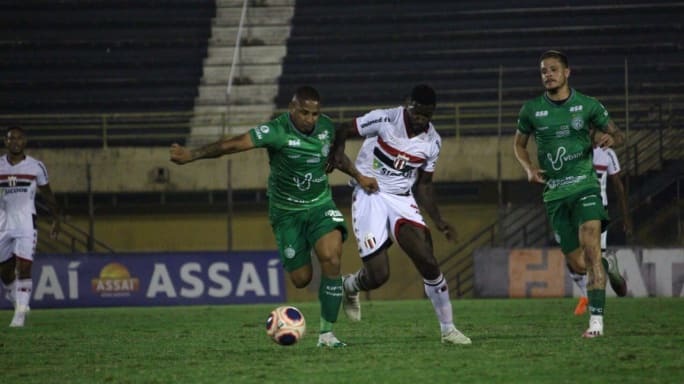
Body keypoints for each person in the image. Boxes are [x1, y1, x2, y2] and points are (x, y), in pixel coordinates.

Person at [170, 86, 376, 348]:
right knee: (301, 279)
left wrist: (359, 176)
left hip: (320, 205)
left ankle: (327, 334)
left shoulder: (326, 127)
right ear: (292, 108)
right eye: (304, 113)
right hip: (286, 213)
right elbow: (232, 144)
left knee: (331, 257)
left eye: (315, 113)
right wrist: (192, 155)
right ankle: (331, 289)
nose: (310, 119)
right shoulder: (276, 131)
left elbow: (335, 156)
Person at [329, 84, 472, 345]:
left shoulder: (432, 142)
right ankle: (349, 286)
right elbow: (344, 128)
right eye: (418, 113)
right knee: (379, 275)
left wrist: (439, 221)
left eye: (427, 115)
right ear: (409, 104)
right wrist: (337, 154)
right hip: (369, 193)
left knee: (428, 260)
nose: (421, 119)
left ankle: (448, 329)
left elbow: (425, 185)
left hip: (401, 200)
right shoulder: (385, 119)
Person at [514, 50, 627, 338]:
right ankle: (607, 263)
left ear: (567, 73)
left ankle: (596, 323)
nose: (548, 74)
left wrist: (609, 137)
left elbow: (619, 135)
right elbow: (519, 145)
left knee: (590, 248)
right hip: (555, 194)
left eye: (553, 69)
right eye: (543, 71)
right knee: (578, 262)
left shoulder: (588, 106)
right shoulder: (530, 110)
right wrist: (528, 168)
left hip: (585, 187)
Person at [0, 126, 61, 327]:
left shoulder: (36, 166)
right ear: (5, 141)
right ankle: (17, 298)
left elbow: (48, 194)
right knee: (5, 271)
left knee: (24, 267)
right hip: (3, 225)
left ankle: (19, 315)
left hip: (27, 224)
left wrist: (56, 218)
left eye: (19, 138)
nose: (15, 141)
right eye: (11, 138)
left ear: (24, 141)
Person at [571, 139, 632, 315]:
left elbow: (619, 187)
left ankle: (595, 314)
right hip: (579, 211)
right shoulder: (573, 152)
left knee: (593, 261)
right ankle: (610, 267)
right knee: (582, 261)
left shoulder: (607, 154)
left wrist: (626, 217)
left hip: (598, 210)